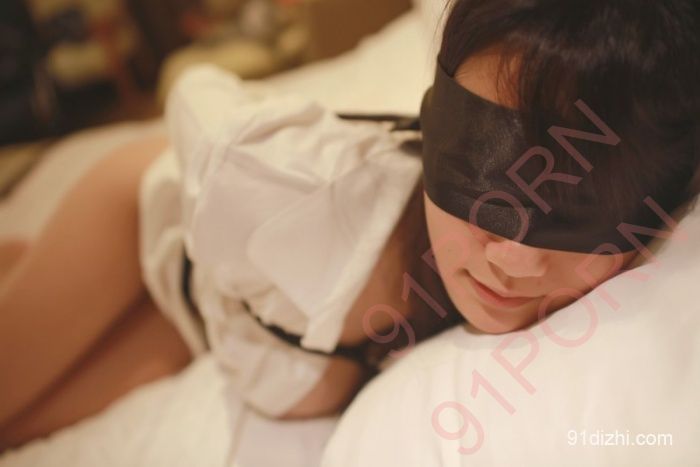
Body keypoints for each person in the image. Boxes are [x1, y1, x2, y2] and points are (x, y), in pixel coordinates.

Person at [1, 0, 698, 449]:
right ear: (437, 122)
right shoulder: (289, 187)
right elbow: (196, 99)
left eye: (589, 205)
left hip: (202, 323)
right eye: (487, 167)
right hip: (143, 220)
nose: (515, 258)